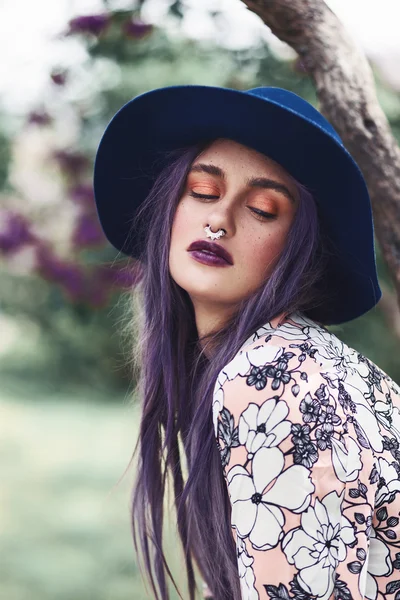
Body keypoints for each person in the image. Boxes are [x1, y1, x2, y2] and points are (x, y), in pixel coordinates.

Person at [93, 85, 400, 600]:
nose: (219, 220)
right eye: (204, 192)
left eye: (262, 209)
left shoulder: (269, 378)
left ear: (297, 251)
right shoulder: (302, 360)